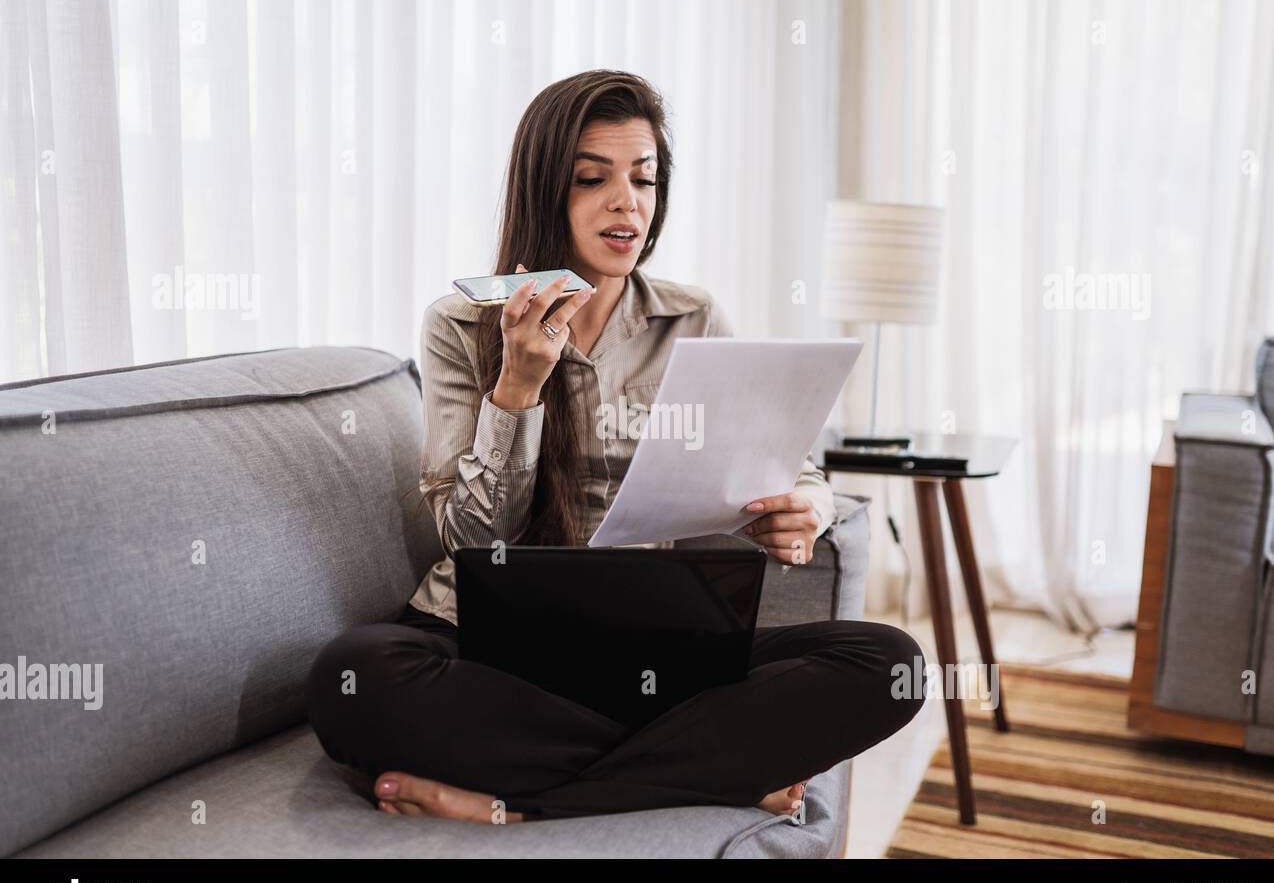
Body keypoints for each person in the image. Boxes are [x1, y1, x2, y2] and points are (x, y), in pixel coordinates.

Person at [306, 69, 926, 823]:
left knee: (890, 663)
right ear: (545, 191)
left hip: (651, 644)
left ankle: (518, 799)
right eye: (592, 179)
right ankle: (706, 773)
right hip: (488, 646)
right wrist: (518, 390)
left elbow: (790, 463)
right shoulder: (462, 324)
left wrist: (810, 507)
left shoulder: (691, 319)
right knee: (354, 676)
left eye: (644, 179)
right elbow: (472, 535)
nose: (626, 200)